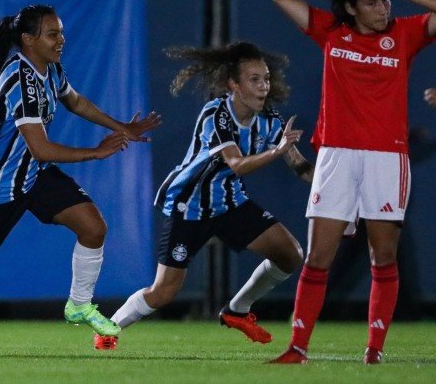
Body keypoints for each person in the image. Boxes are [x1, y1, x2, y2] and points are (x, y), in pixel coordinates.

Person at [0, 4, 161, 354]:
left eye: (61, 32)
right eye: (52, 34)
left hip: (34, 175)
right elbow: (40, 148)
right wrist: (95, 152)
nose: (61, 40)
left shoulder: (50, 69)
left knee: (93, 227)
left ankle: (79, 305)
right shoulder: (20, 79)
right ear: (28, 40)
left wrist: (122, 127)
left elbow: (76, 102)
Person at [269, 0, 436, 364]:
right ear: (349, 7)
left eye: (386, 0)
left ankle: (374, 350)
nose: (383, 8)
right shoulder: (331, 31)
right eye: (373, 1)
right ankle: (297, 348)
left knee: (384, 255)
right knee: (319, 257)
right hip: (337, 155)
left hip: (386, 157)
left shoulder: (406, 32)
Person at [94, 41, 311, 351]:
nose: (263, 86)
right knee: (163, 292)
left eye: (265, 78)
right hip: (190, 205)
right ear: (233, 84)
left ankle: (237, 310)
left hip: (229, 203)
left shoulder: (271, 121)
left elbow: (299, 166)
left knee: (290, 254)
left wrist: (331, 187)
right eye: (254, 79)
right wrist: (278, 150)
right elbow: (236, 164)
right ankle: (107, 329)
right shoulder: (216, 113)